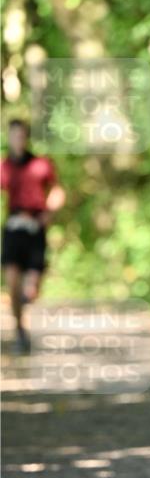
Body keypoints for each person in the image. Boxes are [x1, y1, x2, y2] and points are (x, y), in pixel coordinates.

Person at [1, 119, 66, 354]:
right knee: (12, 283)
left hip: (36, 228)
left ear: (26, 137)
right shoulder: (4, 167)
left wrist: (49, 213)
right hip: (13, 227)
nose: (17, 140)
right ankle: (20, 330)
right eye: (14, 136)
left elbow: (57, 191)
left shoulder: (41, 164)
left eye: (21, 136)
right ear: (9, 138)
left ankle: (27, 300)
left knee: (31, 289)